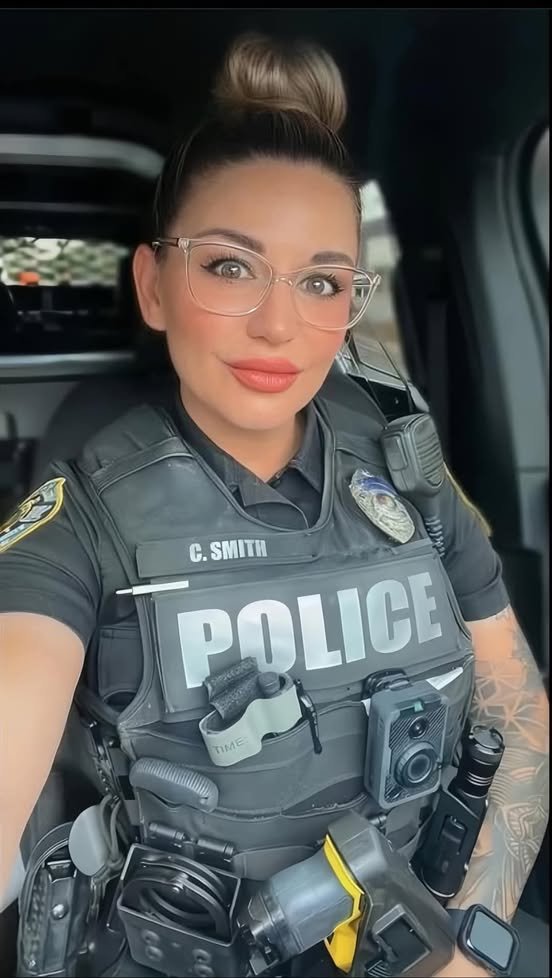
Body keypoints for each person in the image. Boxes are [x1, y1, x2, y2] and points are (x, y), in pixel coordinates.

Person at [0, 32, 548, 978]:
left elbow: (521, 710)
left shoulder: (408, 473)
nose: (278, 324)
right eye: (230, 266)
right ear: (153, 285)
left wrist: (467, 939)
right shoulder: (81, 518)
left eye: (322, 281)